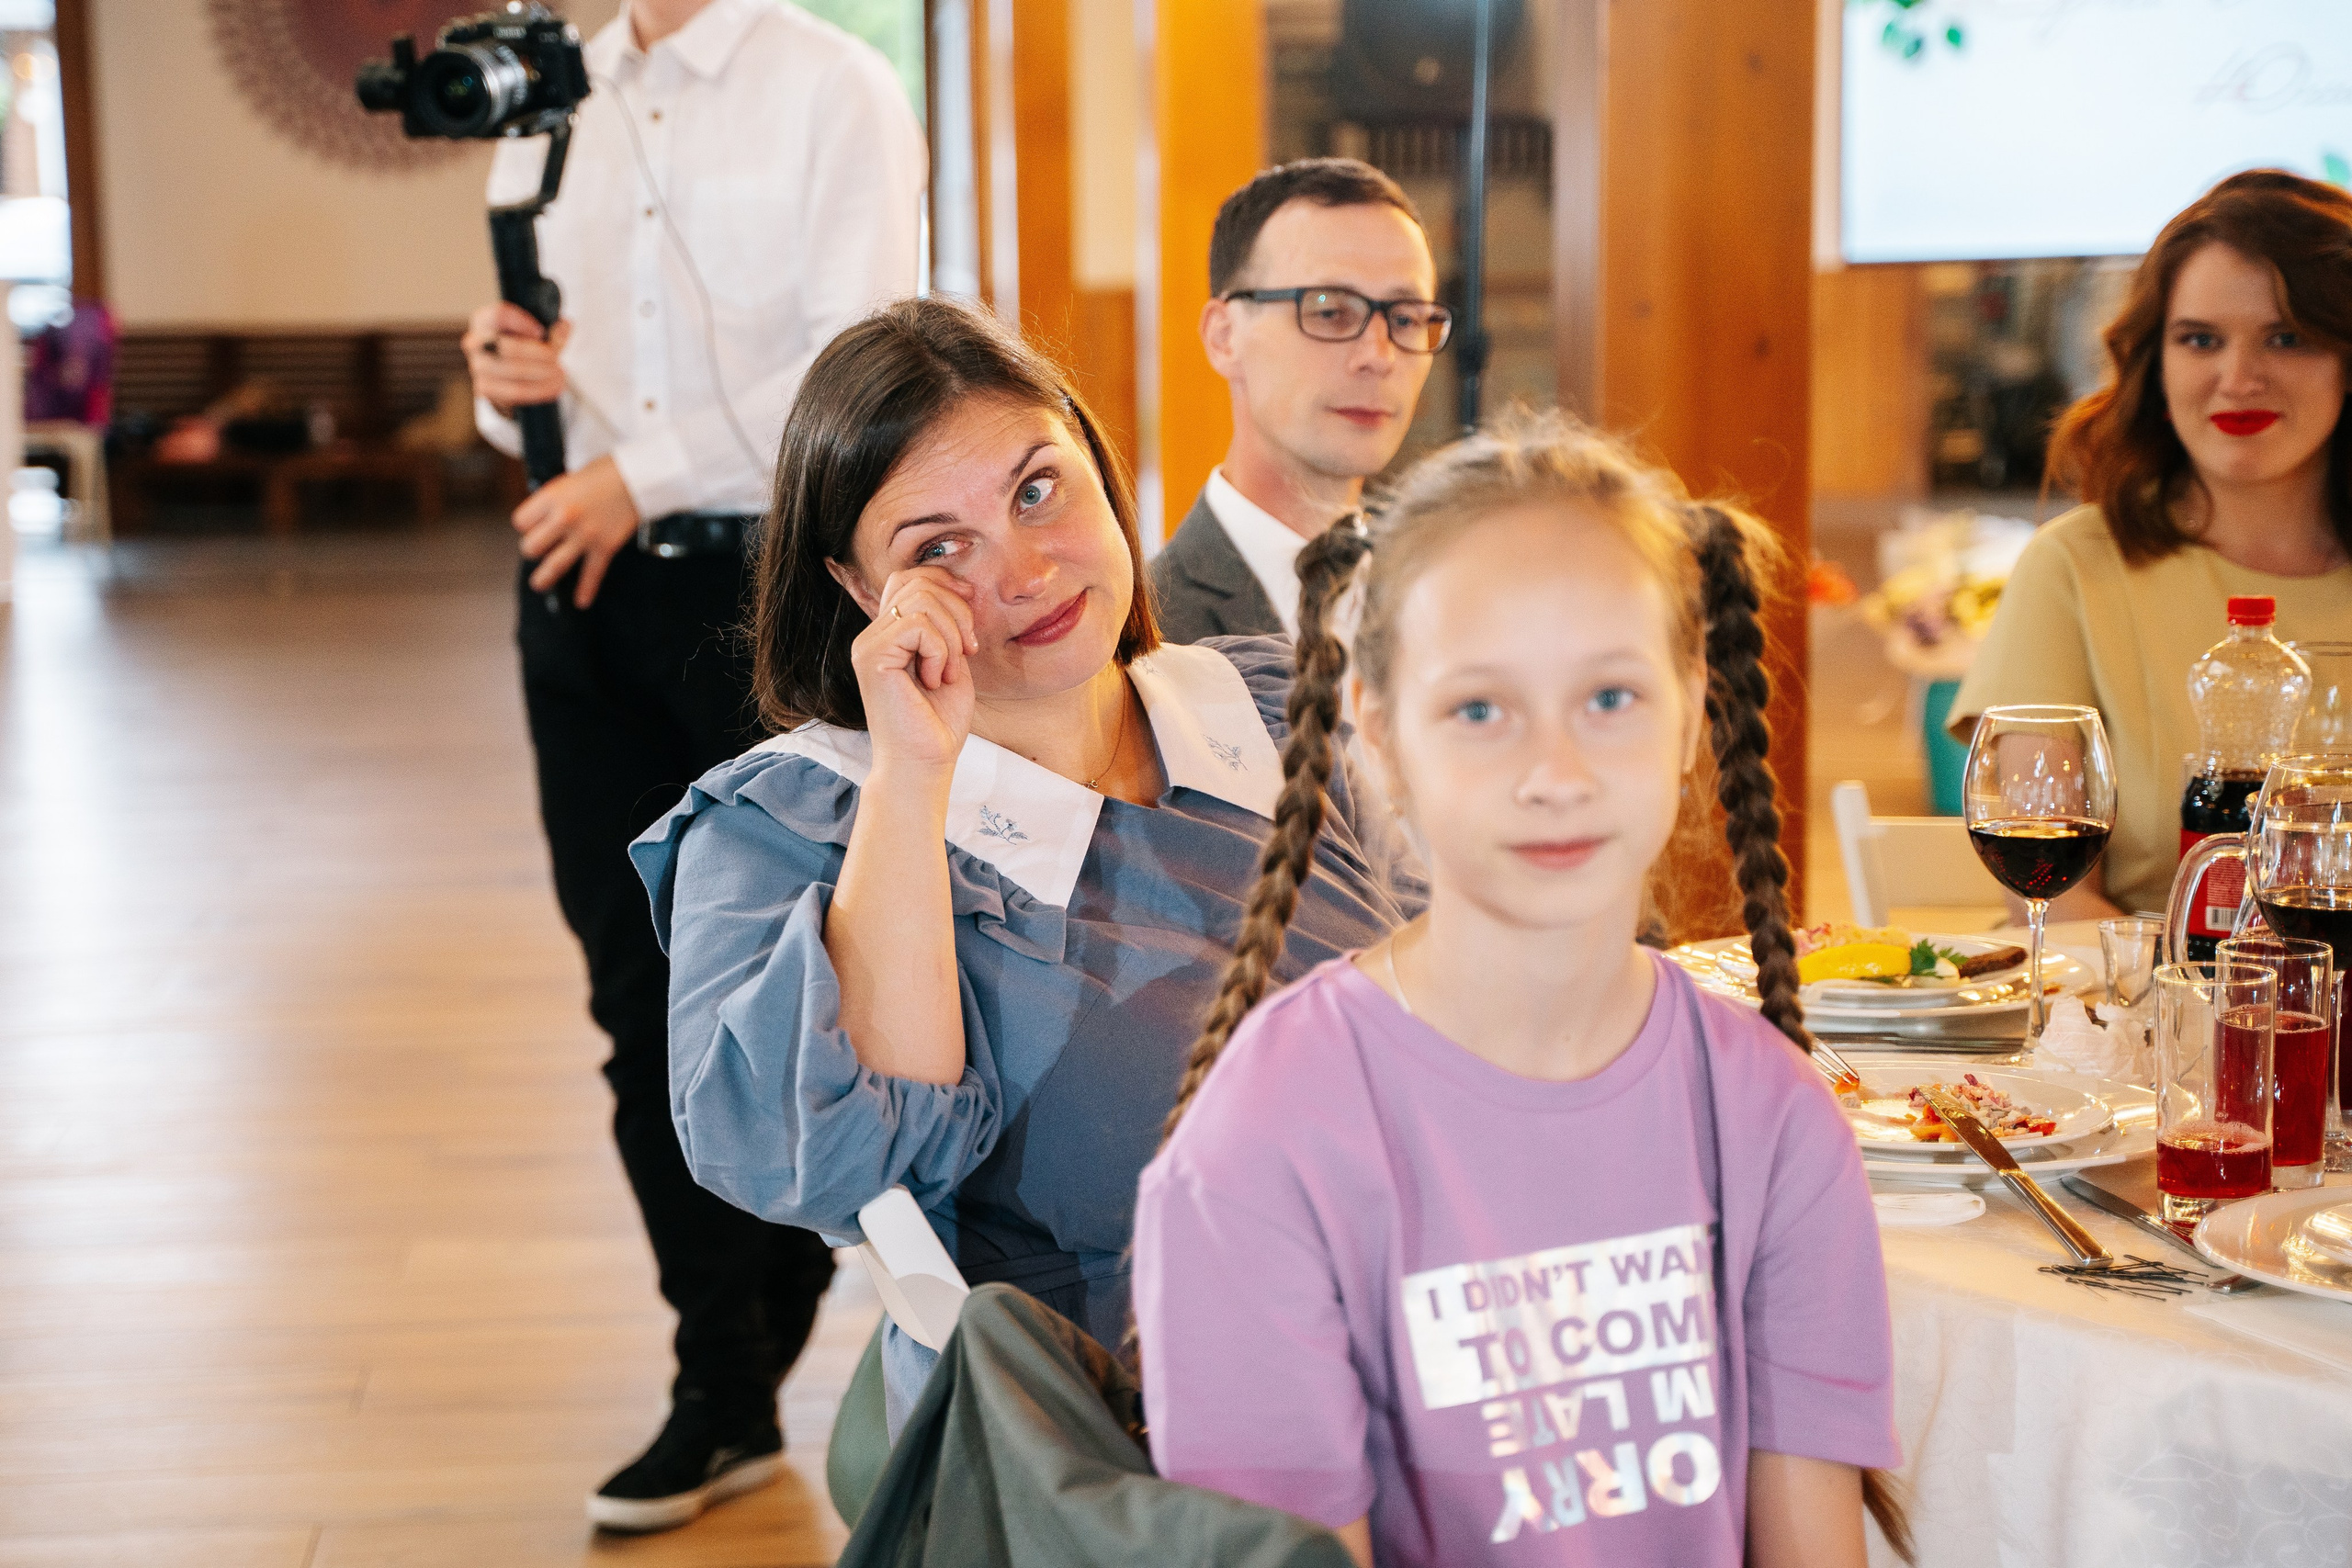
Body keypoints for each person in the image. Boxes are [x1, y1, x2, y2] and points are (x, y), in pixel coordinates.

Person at [628, 296, 1419, 1435]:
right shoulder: (788, 828)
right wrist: (913, 766)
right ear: (858, 590)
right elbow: (826, 1161)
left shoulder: (1270, 700)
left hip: (1431, 1326)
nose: (1028, 569)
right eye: (938, 548)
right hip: (1125, 1430)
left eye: (1037, 489)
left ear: (1101, 467)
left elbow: (1481, 992)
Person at [1133, 416, 1909, 1568]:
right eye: (1481, 710)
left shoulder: (1773, 1115)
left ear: (1694, 715)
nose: (1555, 773)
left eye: (1609, 699)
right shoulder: (1268, 1138)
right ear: (1381, 737)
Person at [458, 0, 926, 1532]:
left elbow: (856, 370)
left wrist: (632, 477)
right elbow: (538, 376)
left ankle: (921, 1340)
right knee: (631, 998)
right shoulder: (544, 96)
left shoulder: (832, 87)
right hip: (574, 592)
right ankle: (720, 1376)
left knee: (817, 984)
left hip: (762, 589)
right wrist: (499, 378)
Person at [1951, 169, 2352, 919]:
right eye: (2200, 339)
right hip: (2145, 1020)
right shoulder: (2074, 567)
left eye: (2287, 337)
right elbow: (2051, 901)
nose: (2239, 377)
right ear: (2155, 363)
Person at [1149, 158, 1445, 640]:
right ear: (1224, 336)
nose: (1378, 355)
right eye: (1330, 312)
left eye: (1407, 318)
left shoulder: (1445, 599)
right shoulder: (1145, 635)